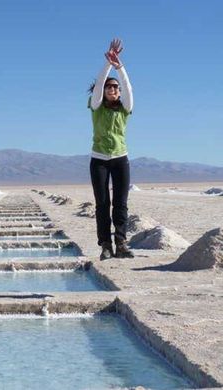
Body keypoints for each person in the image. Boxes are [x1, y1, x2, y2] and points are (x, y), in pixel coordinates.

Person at [88, 39, 134, 260]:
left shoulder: (125, 109)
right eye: (109, 86)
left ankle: (121, 242)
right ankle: (105, 245)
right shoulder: (96, 107)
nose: (113, 89)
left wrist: (120, 67)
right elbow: (98, 85)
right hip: (99, 161)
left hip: (120, 159)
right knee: (102, 204)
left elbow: (129, 88)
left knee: (121, 203)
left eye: (115, 87)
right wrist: (107, 64)